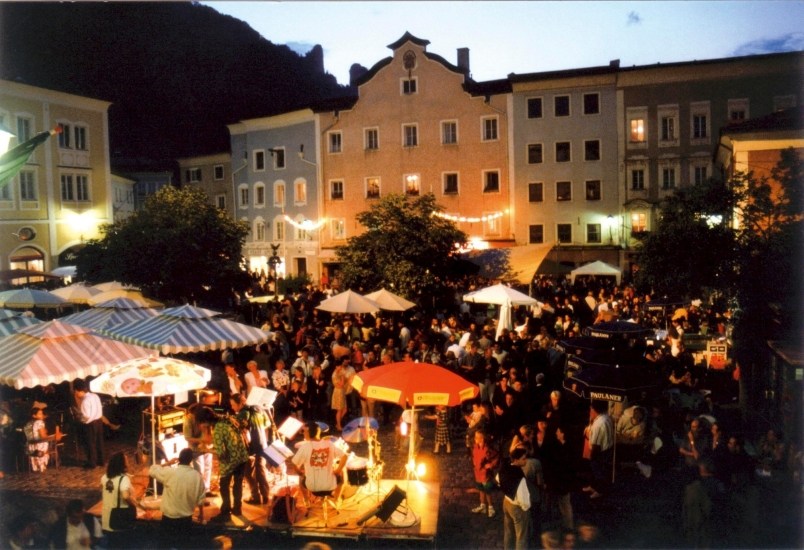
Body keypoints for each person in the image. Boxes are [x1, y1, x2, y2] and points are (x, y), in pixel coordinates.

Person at [195, 407, 249, 521]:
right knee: (237, 485)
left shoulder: (218, 429)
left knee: (224, 486)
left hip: (231, 461)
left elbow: (222, 453)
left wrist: (206, 450)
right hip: (242, 456)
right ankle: (237, 509)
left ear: (205, 420)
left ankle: (225, 512)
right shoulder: (228, 418)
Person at [148, 448, 206, 549]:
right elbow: (201, 499)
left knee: (164, 546)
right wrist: (201, 515)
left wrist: (167, 463)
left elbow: (152, 470)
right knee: (183, 546)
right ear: (191, 460)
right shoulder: (197, 476)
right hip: (185, 520)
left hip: (168, 519)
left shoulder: (170, 472)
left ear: (179, 459)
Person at [230, 393, 271, 506]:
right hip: (263, 444)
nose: (232, 407)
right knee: (260, 472)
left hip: (251, 447)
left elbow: (237, 431)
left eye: (233, 405)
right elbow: (267, 423)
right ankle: (265, 496)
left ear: (240, 403)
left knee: (247, 472)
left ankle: (256, 497)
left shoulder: (243, 413)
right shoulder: (258, 409)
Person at [292, 420, 347, 499]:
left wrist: (301, 473)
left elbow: (294, 464)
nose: (303, 433)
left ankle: (306, 500)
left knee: (300, 477)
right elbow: (345, 456)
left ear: (308, 432)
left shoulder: (304, 447)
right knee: (342, 473)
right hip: (330, 485)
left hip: (312, 487)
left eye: (304, 431)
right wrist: (338, 470)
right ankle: (336, 499)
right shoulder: (329, 444)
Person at [100, 451, 139, 549]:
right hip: (119, 519)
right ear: (121, 464)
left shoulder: (104, 477)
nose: (128, 462)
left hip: (107, 518)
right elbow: (125, 496)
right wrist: (134, 503)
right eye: (126, 461)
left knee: (112, 544)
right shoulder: (123, 479)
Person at [497, 447, 531, 550]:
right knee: (521, 536)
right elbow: (523, 498)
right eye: (523, 458)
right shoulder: (519, 477)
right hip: (517, 507)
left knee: (508, 532)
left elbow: (497, 480)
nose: (526, 460)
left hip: (506, 502)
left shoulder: (504, 468)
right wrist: (526, 508)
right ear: (516, 460)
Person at [582, 401, 613, 499]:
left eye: (591, 408)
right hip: (608, 448)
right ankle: (593, 486)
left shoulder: (598, 424)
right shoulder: (606, 417)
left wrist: (592, 456)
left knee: (598, 471)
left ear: (595, 410)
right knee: (598, 471)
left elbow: (596, 445)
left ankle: (600, 491)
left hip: (600, 452)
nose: (590, 410)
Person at [183, 403, 214, 497]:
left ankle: (207, 490)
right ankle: (200, 493)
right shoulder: (189, 419)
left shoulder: (204, 417)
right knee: (199, 471)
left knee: (208, 468)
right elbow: (187, 437)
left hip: (207, 447)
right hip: (196, 448)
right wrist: (201, 440)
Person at [73, 379, 105, 469]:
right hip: (99, 421)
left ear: (78, 391)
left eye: (75, 392)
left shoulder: (85, 401)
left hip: (90, 423)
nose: (76, 394)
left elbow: (86, 416)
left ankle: (92, 463)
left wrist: (79, 417)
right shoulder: (95, 395)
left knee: (90, 443)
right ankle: (101, 461)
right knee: (99, 441)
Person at [471, 430, 500, 518]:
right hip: (478, 472)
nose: (476, 439)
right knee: (481, 489)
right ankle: (482, 506)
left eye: (478, 437)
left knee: (487, 491)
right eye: (476, 437)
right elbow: (474, 456)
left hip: (486, 474)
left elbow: (496, 457)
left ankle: (491, 507)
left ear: (483, 438)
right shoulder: (475, 447)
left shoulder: (488, 449)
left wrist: (491, 464)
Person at [24, 405, 61, 472]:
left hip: (30, 446)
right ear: (34, 416)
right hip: (39, 446)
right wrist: (55, 436)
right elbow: (43, 436)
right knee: (56, 439)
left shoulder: (28, 424)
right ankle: (53, 462)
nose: (42, 415)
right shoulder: (39, 422)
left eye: (42, 414)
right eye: (40, 414)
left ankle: (36, 465)